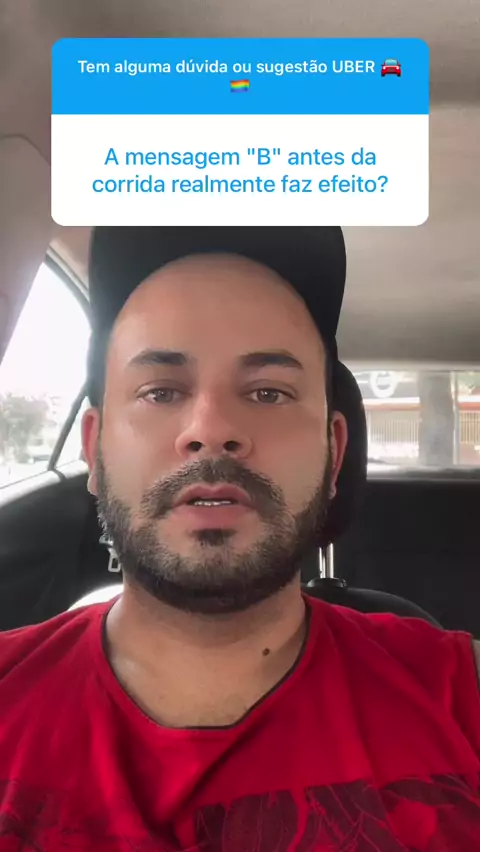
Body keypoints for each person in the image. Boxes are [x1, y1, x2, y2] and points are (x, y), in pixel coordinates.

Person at [1, 226, 480, 850]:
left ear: (334, 453)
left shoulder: (461, 694)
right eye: (161, 391)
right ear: (94, 451)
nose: (211, 429)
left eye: (268, 392)